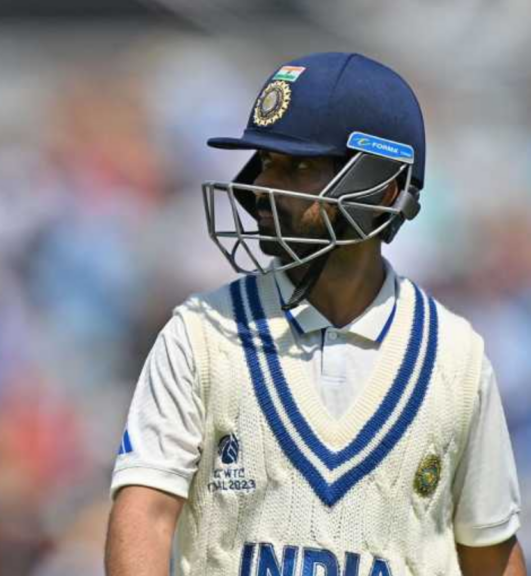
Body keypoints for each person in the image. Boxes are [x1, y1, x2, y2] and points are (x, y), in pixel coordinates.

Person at [105, 52, 525, 576]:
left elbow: (490, 552)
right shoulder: (200, 334)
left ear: (383, 189)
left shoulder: (456, 359)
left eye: (298, 167)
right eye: (266, 163)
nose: (262, 188)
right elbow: (144, 513)